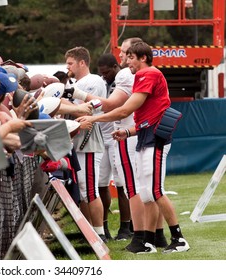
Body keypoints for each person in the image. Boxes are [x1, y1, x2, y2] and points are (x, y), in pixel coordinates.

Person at [77, 41, 190, 254]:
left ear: (143, 58)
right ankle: (147, 241)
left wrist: (94, 119)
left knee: (155, 191)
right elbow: (148, 116)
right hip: (146, 136)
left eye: (130, 57)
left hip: (155, 139)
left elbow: (124, 110)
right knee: (146, 192)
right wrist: (128, 132)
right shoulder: (141, 76)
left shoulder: (149, 74)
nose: (126, 61)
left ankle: (179, 238)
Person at [64, 46, 107, 241]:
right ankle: (89, 232)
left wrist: (61, 102)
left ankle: (99, 233)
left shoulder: (93, 81)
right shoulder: (75, 83)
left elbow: (89, 111)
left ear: (82, 62)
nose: (67, 67)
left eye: (70, 63)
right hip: (77, 140)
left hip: (88, 140)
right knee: (82, 190)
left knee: (90, 189)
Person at [96, 53, 132, 241]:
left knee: (121, 182)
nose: (104, 76)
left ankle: (126, 226)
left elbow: (112, 105)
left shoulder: (124, 81)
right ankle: (103, 227)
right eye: (101, 73)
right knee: (101, 182)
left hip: (119, 134)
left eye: (106, 72)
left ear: (116, 67)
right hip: (102, 135)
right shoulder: (101, 83)